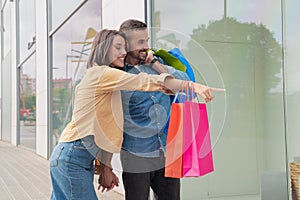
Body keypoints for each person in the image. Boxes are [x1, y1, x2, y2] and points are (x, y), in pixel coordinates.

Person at [49, 29, 223, 200]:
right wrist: (191, 86)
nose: (123, 52)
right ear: (103, 48)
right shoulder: (101, 74)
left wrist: (105, 167)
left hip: (74, 157)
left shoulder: (109, 80)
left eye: (124, 47)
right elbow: (143, 81)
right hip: (73, 156)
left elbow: (109, 128)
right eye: (118, 47)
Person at [117, 19, 218, 200]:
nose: (146, 46)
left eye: (146, 40)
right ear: (126, 44)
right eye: (140, 42)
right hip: (136, 153)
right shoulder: (118, 73)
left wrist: (155, 64)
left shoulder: (157, 63)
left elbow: (183, 81)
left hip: (165, 150)